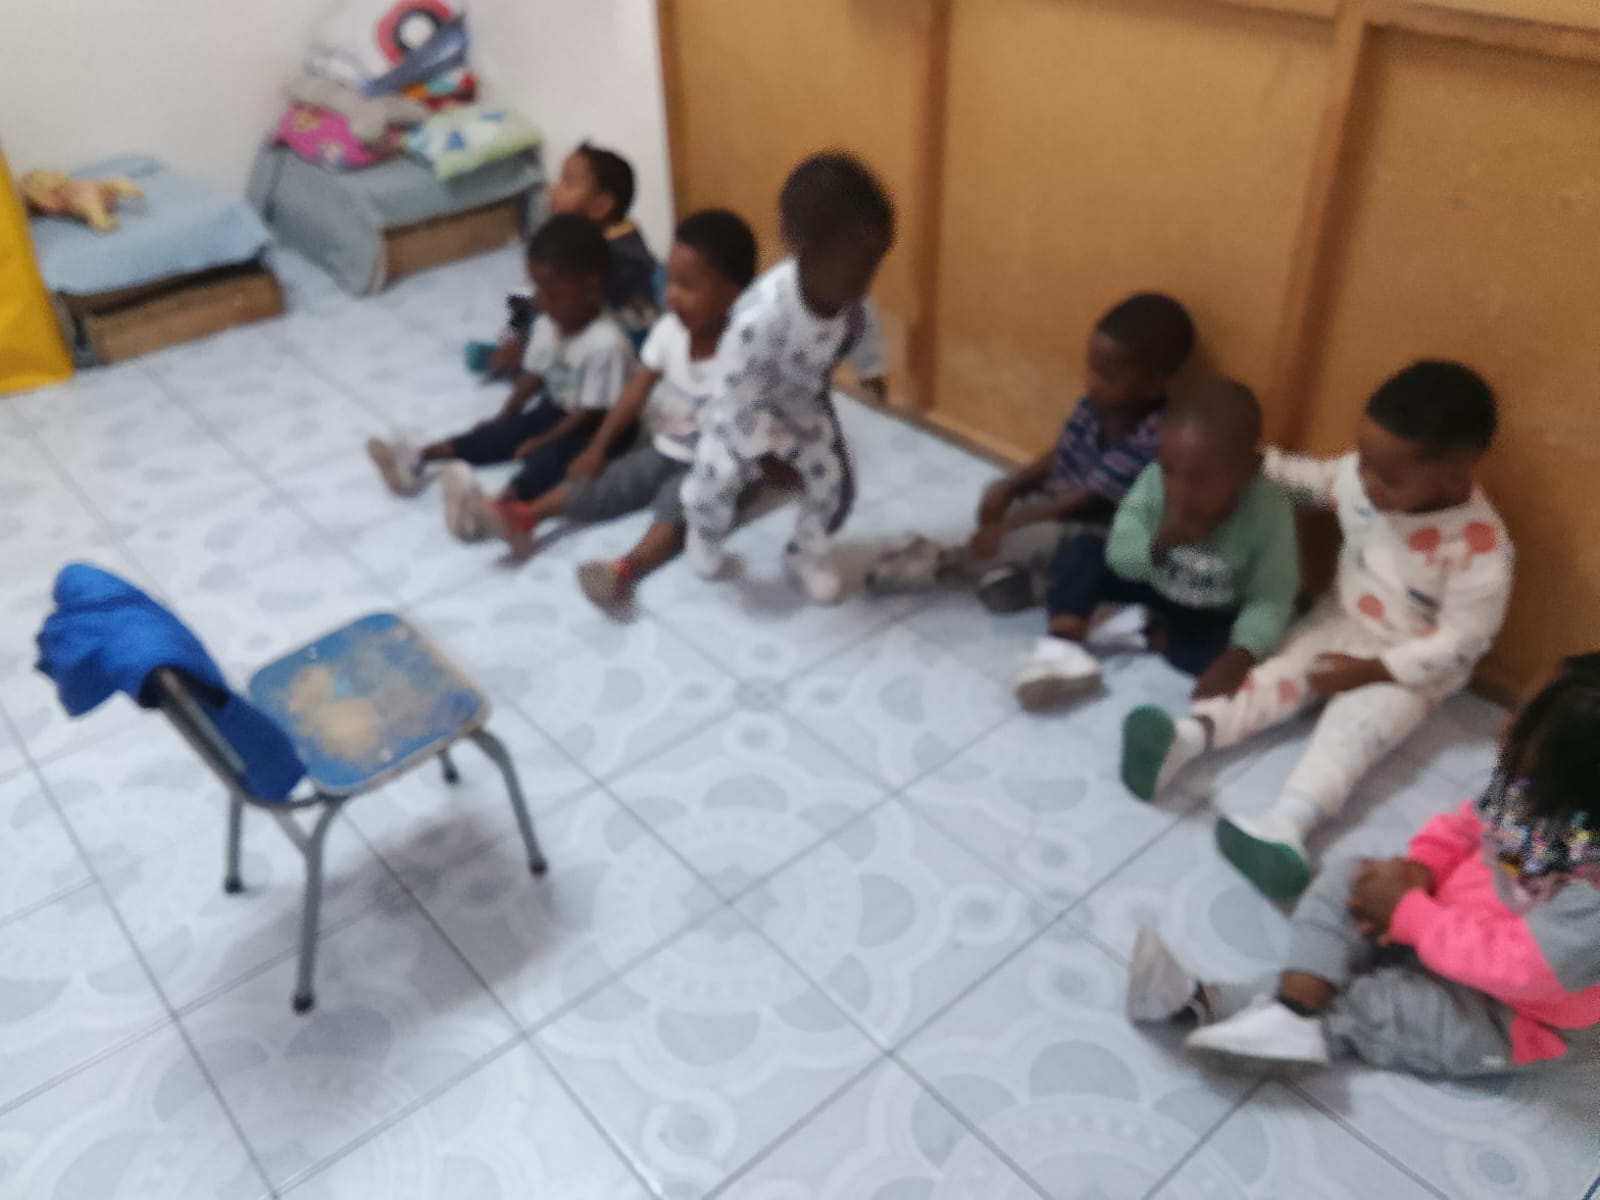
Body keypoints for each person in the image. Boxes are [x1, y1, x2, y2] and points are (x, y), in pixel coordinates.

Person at [1120, 361, 1513, 900]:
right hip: (1338, 620)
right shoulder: (1361, 478)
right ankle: (1186, 738)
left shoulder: (1480, 549)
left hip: (1409, 665)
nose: (1365, 480)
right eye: (1363, 461)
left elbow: (1462, 643)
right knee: (1276, 674)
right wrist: (1241, 459)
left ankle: (1288, 826)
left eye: (1386, 476)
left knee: (1353, 732)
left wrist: (1368, 672)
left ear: (1454, 470)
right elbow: (1310, 477)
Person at [1126, 653, 1600, 1078]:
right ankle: (1287, 1008)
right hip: (1442, 920)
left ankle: (1228, 1008)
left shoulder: (1591, 895)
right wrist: (1420, 869)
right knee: (1352, 879)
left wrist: (1411, 915)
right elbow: (1463, 829)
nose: (1506, 722)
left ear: (1570, 780)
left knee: (1390, 1006)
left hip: (1509, 1010)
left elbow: (1522, 969)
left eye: (1525, 722)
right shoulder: (1527, 788)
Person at [448, 209, 758, 609]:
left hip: (712, 466)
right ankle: (523, 517)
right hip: (663, 446)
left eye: (687, 286)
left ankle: (624, 569)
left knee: (676, 509)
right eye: (670, 282)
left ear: (733, 294)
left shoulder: (746, 352)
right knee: (607, 481)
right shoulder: (669, 332)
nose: (672, 296)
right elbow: (635, 391)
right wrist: (597, 447)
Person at [679, 151, 896, 604]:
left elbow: (864, 331)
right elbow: (737, 394)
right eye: (854, 264)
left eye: (873, 264)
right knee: (717, 476)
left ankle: (806, 552)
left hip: (802, 402)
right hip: (742, 407)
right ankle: (704, 531)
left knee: (833, 481)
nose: (864, 279)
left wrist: (870, 369)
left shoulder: (853, 301)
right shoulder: (762, 317)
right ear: (802, 247)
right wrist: (764, 458)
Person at [1013, 380, 1299, 713]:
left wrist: (1241, 655)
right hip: (1148, 581)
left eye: (1200, 479)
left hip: (1208, 609)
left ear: (1247, 472)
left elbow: (1271, 597)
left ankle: (1139, 630)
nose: (1179, 492)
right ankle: (1062, 649)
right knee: (1081, 551)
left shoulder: (1269, 510)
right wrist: (1160, 545)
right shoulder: (1152, 483)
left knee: (1226, 652)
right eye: (1169, 470)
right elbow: (1120, 554)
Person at [366, 214, 636, 510]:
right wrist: (505, 416)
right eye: (537, 291)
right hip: (558, 408)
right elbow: (532, 375)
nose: (540, 303)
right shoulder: (547, 323)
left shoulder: (606, 342)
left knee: (552, 459)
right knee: (501, 434)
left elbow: (588, 413)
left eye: (552, 295)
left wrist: (544, 440)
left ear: (590, 288)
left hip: (602, 428)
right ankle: (419, 458)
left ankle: (497, 507)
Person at [970, 292, 1195, 612]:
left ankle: (969, 567)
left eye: (1107, 377)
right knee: (994, 492)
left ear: (1154, 386)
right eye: (1091, 369)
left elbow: (1088, 499)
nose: (1092, 383)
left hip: (1098, 528)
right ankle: (1028, 569)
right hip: (1060, 504)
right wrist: (1010, 487)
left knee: (1034, 538)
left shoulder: (1154, 435)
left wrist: (1013, 526)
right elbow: (1060, 454)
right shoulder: (1093, 405)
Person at [469, 142, 660, 376]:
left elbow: (575, 307)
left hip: (623, 330)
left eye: (567, 184)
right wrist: (517, 332)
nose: (553, 190)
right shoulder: (570, 235)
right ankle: (519, 349)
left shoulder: (623, 255)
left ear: (600, 206)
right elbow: (537, 290)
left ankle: (531, 361)